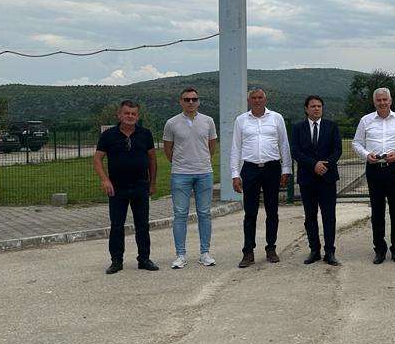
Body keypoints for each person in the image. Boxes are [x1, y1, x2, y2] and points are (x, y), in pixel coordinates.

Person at [93, 100, 158, 274]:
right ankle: (116, 261)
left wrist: (152, 183)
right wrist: (105, 180)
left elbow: (152, 159)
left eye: (133, 113)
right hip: (117, 187)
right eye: (127, 113)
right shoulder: (108, 135)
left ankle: (144, 259)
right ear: (119, 115)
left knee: (142, 224)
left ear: (138, 116)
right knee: (117, 225)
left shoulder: (145, 134)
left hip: (140, 185)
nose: (130, 116)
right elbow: (97, 159)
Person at [229, 88, 291, 268]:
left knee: (272, 211)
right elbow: (236, 147)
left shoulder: (276, 118)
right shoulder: (241, 120)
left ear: (265, 99)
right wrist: (235, 174)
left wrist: (286, 169)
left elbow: (284, 144)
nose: (257, 100)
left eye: (260, 97)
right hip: (250, 168)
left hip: (272, 168)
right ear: (249, 100)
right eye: (254, 98)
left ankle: (271, 248)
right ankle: (248, 252)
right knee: (250, 212)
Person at [353, 87, 395, 264]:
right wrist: (366, 155)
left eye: (384, 100)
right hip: (374, 169)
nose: (382, 103)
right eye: (379, 100)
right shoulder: (365, 120)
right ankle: (379, 249)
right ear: (374, 102)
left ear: (390, 101)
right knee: (377, 211)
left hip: (394, 168)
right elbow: (357, 143)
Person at [162, 86, 217, 269]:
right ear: (181, 102)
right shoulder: (171, 123)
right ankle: (180, 255)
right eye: (187, 99)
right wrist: (180, 162)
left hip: (204, 173)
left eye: (194, 99)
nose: (191, 102)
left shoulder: (208, 121)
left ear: (198, 101)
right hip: (180, 174)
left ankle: (205, 253)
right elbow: (168, 149)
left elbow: (212, 146)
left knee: (204, 213)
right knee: (180, 214)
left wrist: (202, 160)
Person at [290, 95, 342, 267]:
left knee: (329, 216)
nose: (316, 108)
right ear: (306, 109)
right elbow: (295, 151)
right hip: (307, 179)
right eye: (313, 106)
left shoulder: (331, 126)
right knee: (310, 216)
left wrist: (325, 165)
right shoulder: (298, 128)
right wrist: (314, 165)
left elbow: (337, 150)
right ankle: (314, 250)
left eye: (319, 106)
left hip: (327, 178)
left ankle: (330, 252)